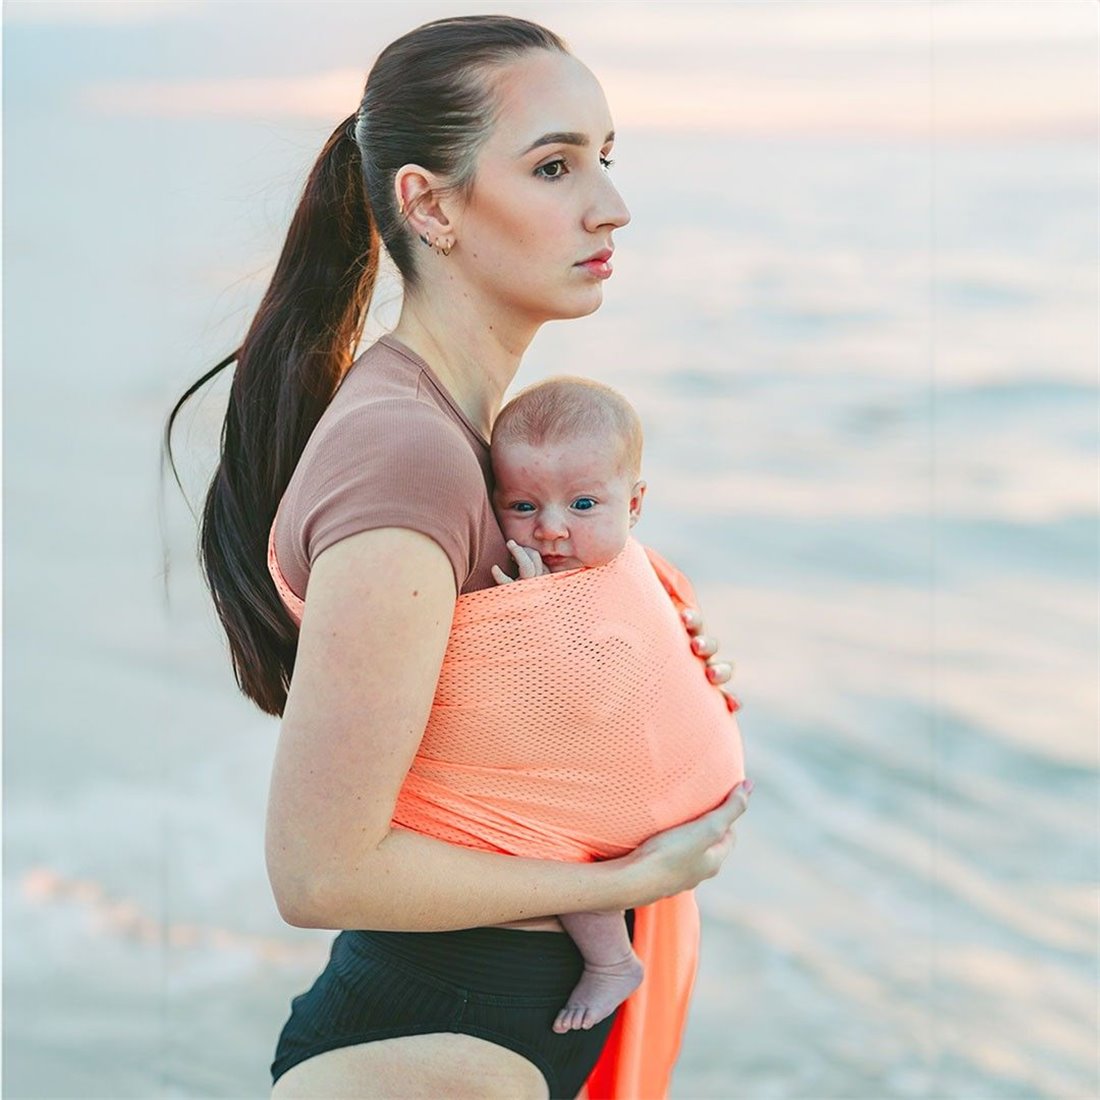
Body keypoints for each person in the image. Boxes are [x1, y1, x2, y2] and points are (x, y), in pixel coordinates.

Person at [163, 14, 752, 1100]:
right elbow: (317, 866)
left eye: (604, 159)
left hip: (493, 1029)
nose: (609, 204)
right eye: (553, 165)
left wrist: (638, 644)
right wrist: (629, 873)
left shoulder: (481, 440)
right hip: (432, 1046)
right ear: (430, 205)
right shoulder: (408, 453)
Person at [487, 374, 745, 1037]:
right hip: (675, 789)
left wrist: (533, 607)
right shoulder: (614, 567)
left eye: (580, 504)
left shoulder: (596, 587)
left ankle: (610, 959)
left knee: (546, 833)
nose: (549, 530)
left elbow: (585, 698)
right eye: (521, 506)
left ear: (633, 505)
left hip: (656, 796)